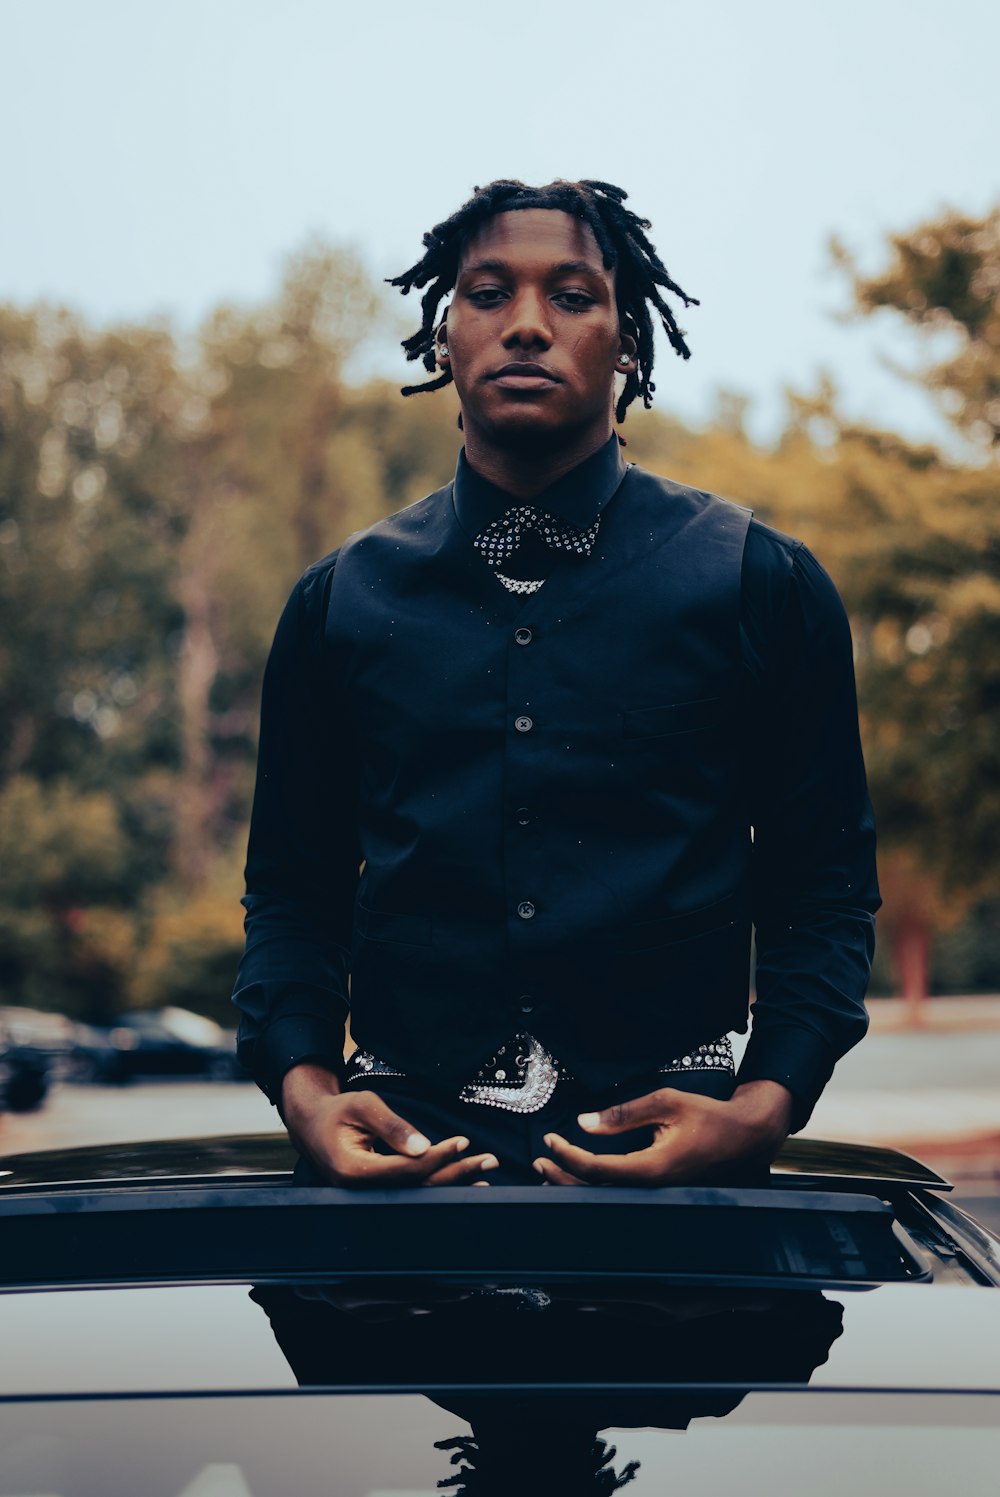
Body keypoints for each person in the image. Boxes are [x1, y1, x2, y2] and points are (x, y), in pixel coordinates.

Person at [232, 178, 880, 1188]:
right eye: (488, 293)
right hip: (402, 1177)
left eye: (572, 296)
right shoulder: (338, 602)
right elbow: (289, 891)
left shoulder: (762, 583)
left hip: (683, 1188)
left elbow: (822, 892)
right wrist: (305, 1092)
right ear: (443, 334)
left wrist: (764, 1107)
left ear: (627, 341)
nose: (527, 325)